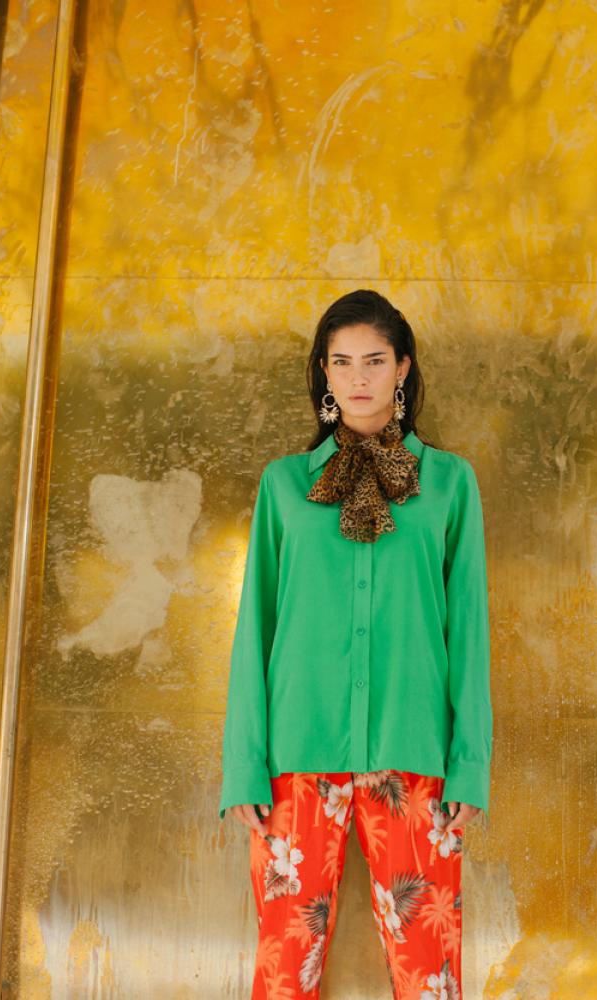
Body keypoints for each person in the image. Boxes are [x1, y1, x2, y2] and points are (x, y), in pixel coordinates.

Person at [218, 289, 493, 999]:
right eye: (342, 362)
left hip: (416, 753)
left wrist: (470, 765)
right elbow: (256, 627)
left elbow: (468, 629)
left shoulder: (451, 483)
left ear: (403, 368)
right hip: (295, 756)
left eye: (374, 360)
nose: (359, 377)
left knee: (430, 974)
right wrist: (243, 765)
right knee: (286, 970)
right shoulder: (284, 485)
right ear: (324, 373)